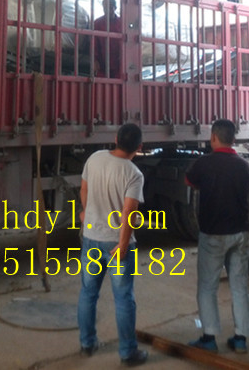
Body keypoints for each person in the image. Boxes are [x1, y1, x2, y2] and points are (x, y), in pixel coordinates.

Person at [78, 123, 148, 366]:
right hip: (116, 245)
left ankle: (87, 344)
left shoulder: (95, 158)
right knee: (123, 298)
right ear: (139, 147)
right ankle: (128, 353)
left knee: (88, 293)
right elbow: (129, 213)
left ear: (116, 139)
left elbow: (84, 189)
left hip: (91, 238)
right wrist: (124, 244)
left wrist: (87, 213)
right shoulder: (133, 174)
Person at [186, 119, 249, 353]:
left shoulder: (204, 163)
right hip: (240, 234)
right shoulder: (244, 166)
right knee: (239, 286)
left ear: (213, 137)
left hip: (213, 234)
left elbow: (189, 181)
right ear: (233, 139)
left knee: (207, 287)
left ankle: (209, 337)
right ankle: (241, 339)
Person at [93, 0, 121, 78]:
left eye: (110, 7)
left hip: (118, 62)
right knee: (102, 84)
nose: (107, 10)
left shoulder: (122, 23)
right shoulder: (97, 23)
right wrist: (95, 60)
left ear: (115, 8)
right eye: (105, 8)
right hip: (102, 62)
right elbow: (94, 43)